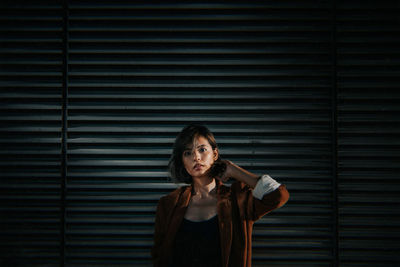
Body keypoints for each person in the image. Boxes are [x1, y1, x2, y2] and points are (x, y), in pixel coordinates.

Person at [152, 124, 289, 267]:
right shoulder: (169, 204)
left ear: (215, 154)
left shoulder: (238, 199)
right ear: (183, 162)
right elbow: (159, 256)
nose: (196, 157)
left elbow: (278, 195)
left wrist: (234, 170)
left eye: (202, 150)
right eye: (188, 153)